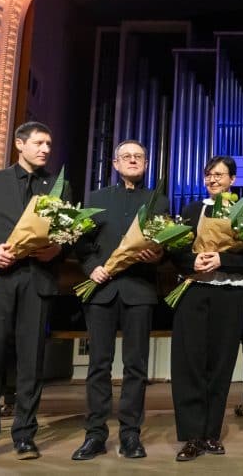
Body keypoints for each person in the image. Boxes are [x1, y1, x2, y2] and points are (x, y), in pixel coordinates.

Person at [0, 121, 68, 463]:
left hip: (37, 279)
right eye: (39, 142)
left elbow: (67, 235)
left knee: (31, 361)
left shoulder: (58, 186)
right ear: (20, 144)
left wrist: (56, 250)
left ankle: (25, 435)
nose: (46, 149)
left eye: (49, 144)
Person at [71, 140, 167, 461]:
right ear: (115, 163)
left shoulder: (158, 201)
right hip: (102, 290)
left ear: (146, 163)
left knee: (135, 366)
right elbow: (81, 244)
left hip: (139, 290)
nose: (133, 160)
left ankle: (130, 434)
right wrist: (92, 267)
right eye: (126, 156)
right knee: (98, 365)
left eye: (139, 157)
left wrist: (156, 256)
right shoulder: (96, 199)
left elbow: (163, 247)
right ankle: (95, 434)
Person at [171, 155, 243, 461]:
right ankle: (191, 436)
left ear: (233, 179)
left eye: (219, 174)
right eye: (209, 174)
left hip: (229, 292)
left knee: (220, 364)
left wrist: (222, 260)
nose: (213, 179)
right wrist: (192, 261)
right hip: (193, 289)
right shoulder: (192, 210)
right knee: (189, 363)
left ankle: (210, 434)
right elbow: (174, 250)